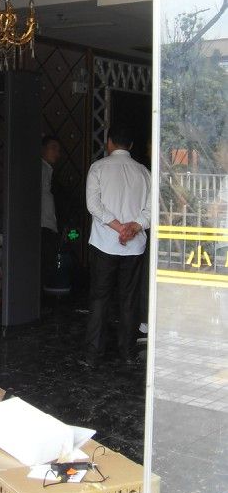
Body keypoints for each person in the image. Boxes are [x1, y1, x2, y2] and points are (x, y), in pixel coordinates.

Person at [84, 123, 151, 368]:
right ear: (131, 145)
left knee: (100, 299)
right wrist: (132, 228)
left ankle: (93, 355)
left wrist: (117, 226)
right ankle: (128, 352)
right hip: (133, 247)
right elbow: (151, 210)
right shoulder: (144, 172)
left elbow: (93, 205)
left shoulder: (98, 168)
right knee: (129, 299)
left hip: (104, 243)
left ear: (109, 142)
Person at [41, 135, 61, 292]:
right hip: (42, 225)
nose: (57, 153)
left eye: (58, 150)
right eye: (53, 148)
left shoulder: (49, 170)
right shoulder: (40, 169)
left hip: (48, 225)